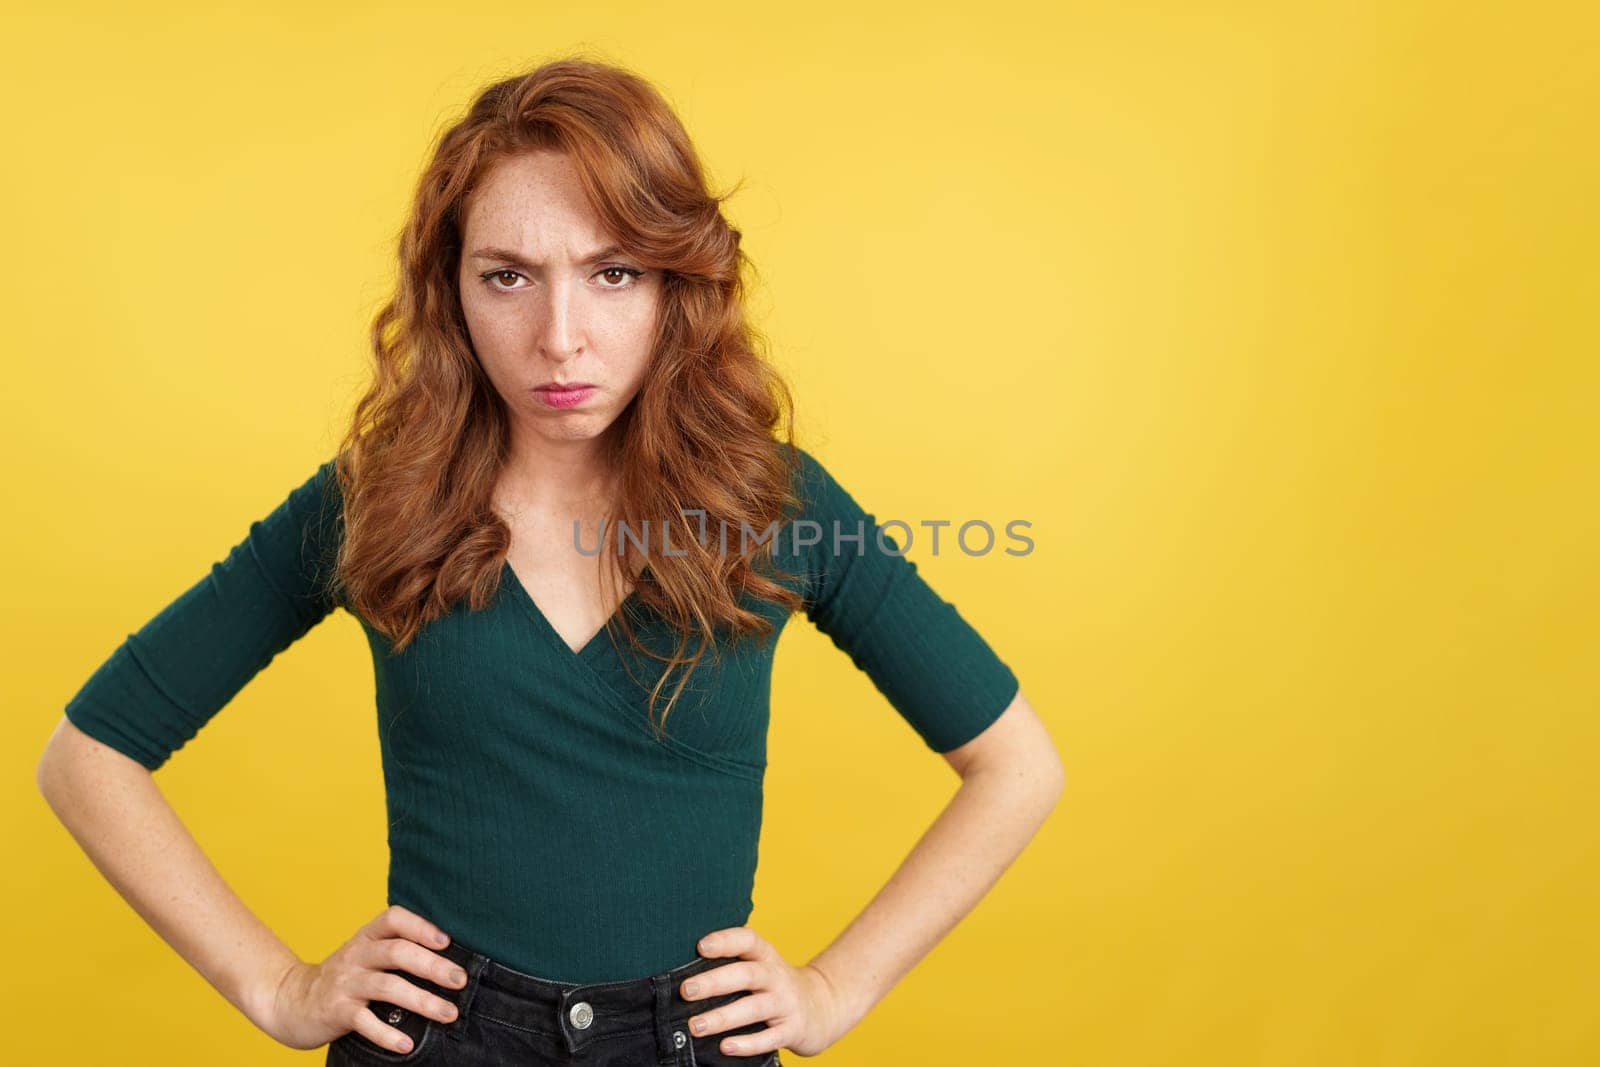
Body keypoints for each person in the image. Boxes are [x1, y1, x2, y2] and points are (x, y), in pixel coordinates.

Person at [36, 56, 1064, 1065]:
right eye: (508, 277)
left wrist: (835, 986)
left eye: (611, 273)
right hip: (437, 1040)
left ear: (676, 284)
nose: (559, 338)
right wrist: (276, 983)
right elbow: (89, 754)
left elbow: (1016, 764)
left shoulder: (774, 505)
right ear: (452, 291)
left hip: (690, 1043)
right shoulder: (373, 500)